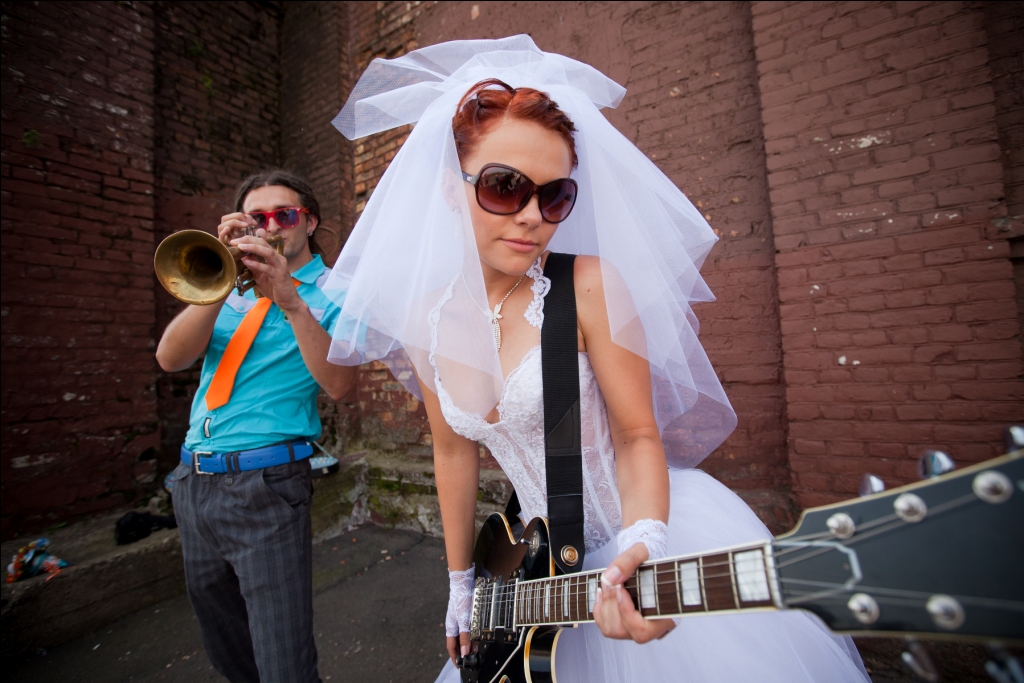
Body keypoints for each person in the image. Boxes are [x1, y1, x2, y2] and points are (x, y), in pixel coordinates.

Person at [323, 37, 870, 682]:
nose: (533, 217)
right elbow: (452, 453)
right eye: (505, 187)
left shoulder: (588, 286)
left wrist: (644, 546)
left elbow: (637, 434)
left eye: (554, 197)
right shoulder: (424, 319)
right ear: (451, 188)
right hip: (535, 573)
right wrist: (460, 583)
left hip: (637, 534)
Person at [156, 170, 356, 683]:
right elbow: (170, 358)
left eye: (283, 215)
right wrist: (220, 282)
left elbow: (340, 385)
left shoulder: (337, 291)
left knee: (283, 661)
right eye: (256, 218)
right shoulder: (227, 287)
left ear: (309, 222)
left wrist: (289, 300)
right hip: (193, 481)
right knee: (228, 650)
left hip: (265, 487)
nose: (271, 226)